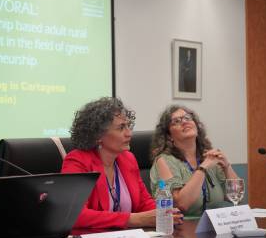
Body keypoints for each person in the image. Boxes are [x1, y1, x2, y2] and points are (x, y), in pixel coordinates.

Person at [62, 97, 183, 229]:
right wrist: (133, 219)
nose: (129, 133)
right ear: (98, 136)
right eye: (121, 128)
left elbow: (144, 202)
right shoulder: (77, 161)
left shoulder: (127, 159)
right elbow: (76, 215)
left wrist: (164, 214)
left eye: (128, 126)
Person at [150, 105, 239, 217]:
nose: (184, 122)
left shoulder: (209, 157)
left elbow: (235, 196)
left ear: (196, 126)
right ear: (169, 136)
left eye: (187, 118)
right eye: (176, 121)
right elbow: (181, 204)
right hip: (182, 229)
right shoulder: (164, 161)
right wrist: (202, 168)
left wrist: (227, 166)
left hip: (216, 226)